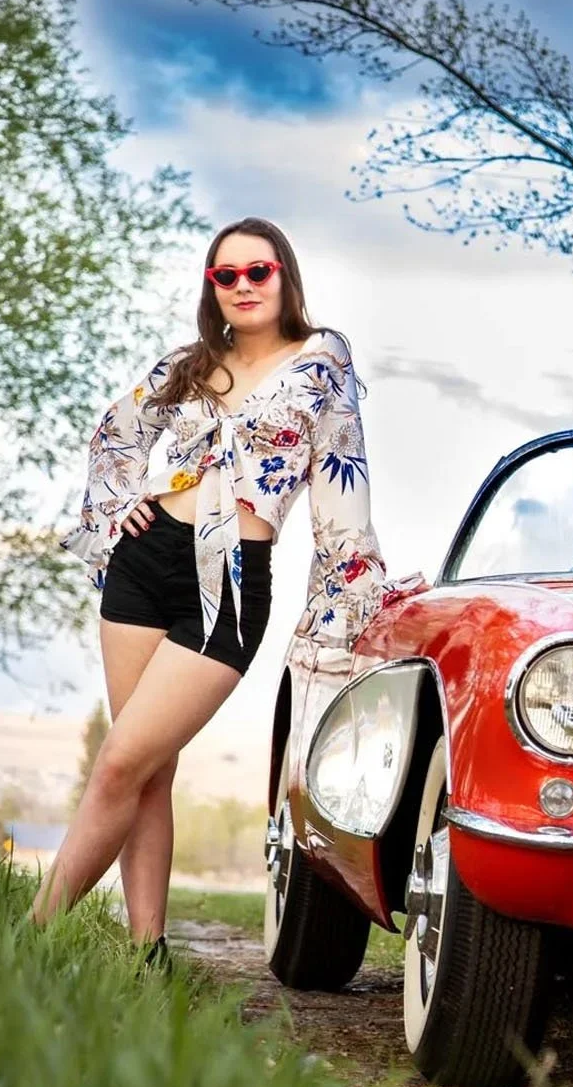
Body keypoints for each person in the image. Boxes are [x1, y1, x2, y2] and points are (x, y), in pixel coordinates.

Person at [34, 217, 387, 968]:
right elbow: (114, 435)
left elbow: (342, 487)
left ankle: (28, 940)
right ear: (213, 291)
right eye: (225, 277)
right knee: (147, 770)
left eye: (257, 271)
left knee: (119, 763)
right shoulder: (192, 366)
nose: (243, 286)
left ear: (284, 275)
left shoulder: (322, 361)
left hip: (229, 580)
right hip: (145, 557)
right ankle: (145, 954)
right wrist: (119, 503)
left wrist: (357, 594)